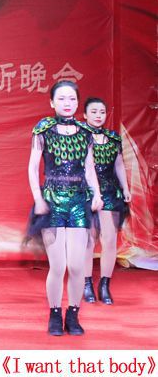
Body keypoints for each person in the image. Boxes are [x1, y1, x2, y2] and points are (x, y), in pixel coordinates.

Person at [27, 80, 102, 336]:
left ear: (78, 102)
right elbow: (32, 167)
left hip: (79, 201)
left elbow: (89, 169)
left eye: (72, 99)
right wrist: (38, 198)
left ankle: (73, 314)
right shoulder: (43, 130)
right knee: (58, 266)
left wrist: (97, 194)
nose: (67, 103)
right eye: (61, 99)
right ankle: (55, 313)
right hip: (52, 201)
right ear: (52, 102)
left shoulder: (85, 132)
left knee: (77, 266)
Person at [81, 97, 131, 305]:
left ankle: (104, 284)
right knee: (88, 240)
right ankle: (86, 284)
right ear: (85, 115)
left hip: (110, 192)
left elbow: (118, 164)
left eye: (102, 112)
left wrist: (125, 187)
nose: (98, 116)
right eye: (93, 112)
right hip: (86, 193)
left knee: (109, 240)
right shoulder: (79, 135)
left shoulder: (113, 138)